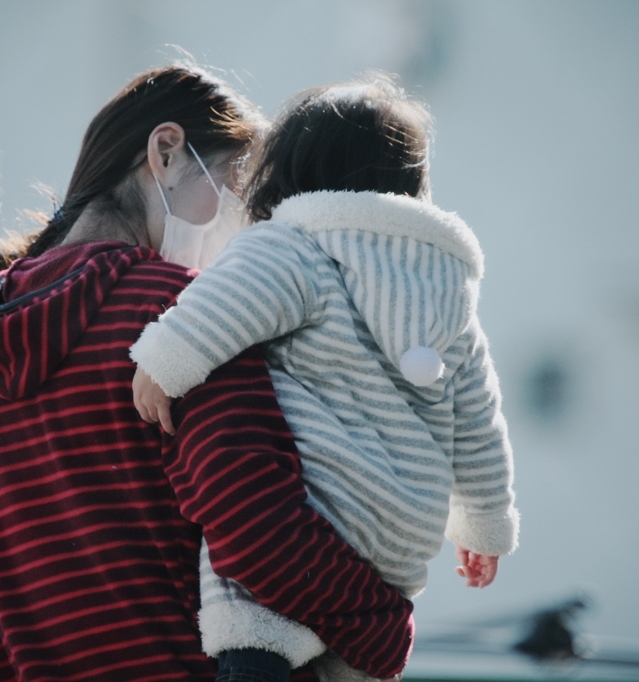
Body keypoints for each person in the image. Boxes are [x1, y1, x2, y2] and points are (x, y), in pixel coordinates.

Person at [0, 63, 415, 682]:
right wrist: (384, 625)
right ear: (165, 151)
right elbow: (253, 514)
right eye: (240, 187)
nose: (249, 224)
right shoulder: (187, 317)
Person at [131, 74, 521, 681]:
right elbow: (479, 422)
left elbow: (228, 301)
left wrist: (164, 361)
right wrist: (484, 523)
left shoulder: (294, 246)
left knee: (252, 623)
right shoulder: (449, 294)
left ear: (288, 173)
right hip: (400, 535)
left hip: (314, 516)